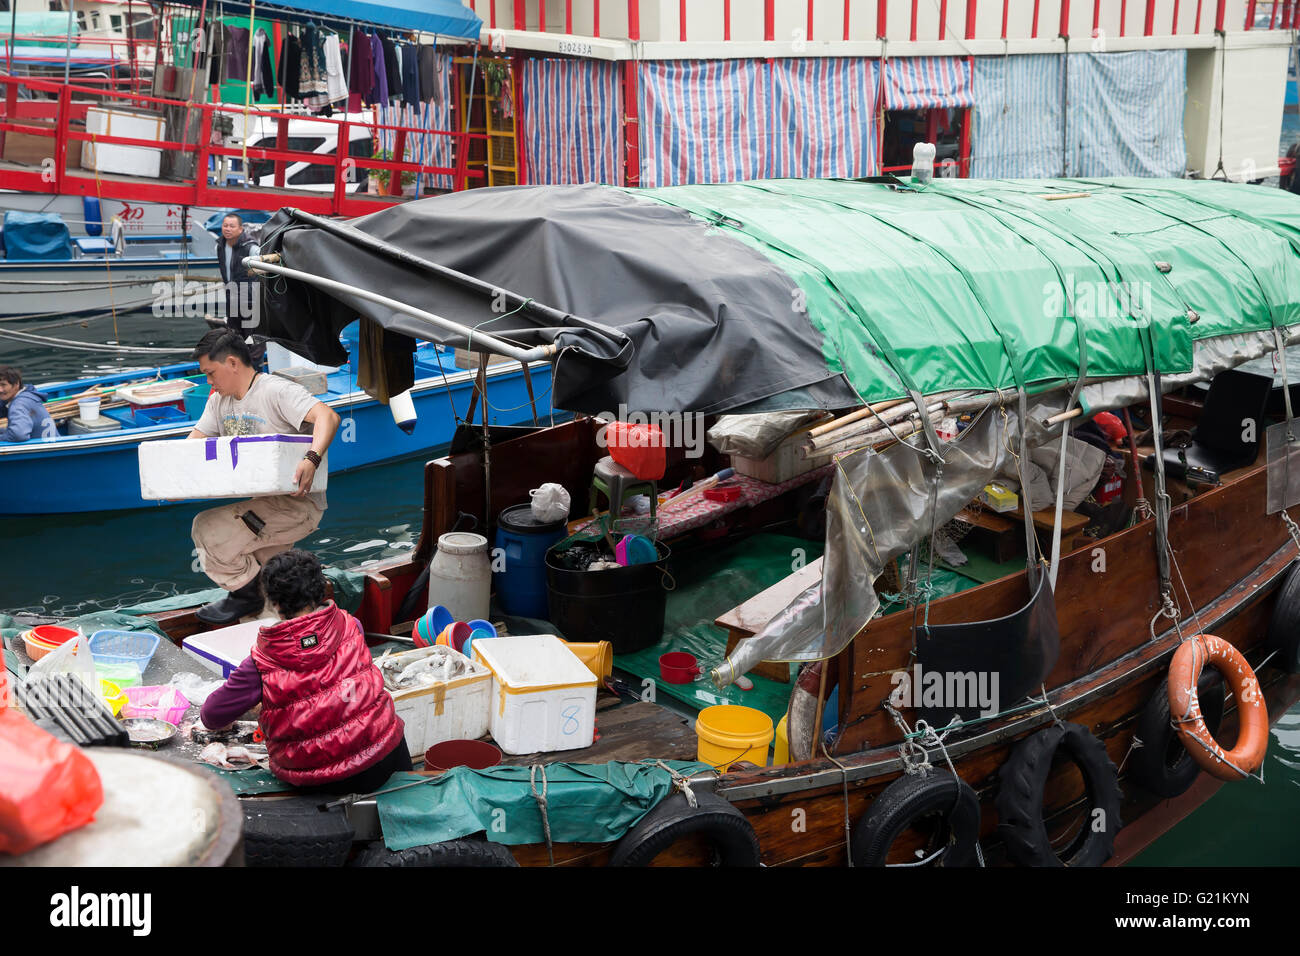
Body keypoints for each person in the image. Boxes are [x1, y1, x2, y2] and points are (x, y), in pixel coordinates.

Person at [199, 549, 412, 791]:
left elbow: (211, 716)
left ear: (274, 601)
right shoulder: (352, 626)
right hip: (387, 755)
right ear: (321, 588)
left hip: (322, 781)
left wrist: (260, 702)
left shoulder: (261, 662)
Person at [188, 328, 340, 625]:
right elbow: (193, 444)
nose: (209, 382)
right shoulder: (219, 402)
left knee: (207, 529)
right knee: (274, 597)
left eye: (211, 373)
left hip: (297, 505)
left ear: (232, 363)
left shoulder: (276, 391)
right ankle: (277, 628)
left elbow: (328, 416)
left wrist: (312, 457)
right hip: (265, 506)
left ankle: (245, 594)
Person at [217, 212, 259, 333]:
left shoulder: (252, 248)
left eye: (232, 226)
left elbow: (265, 272)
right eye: (225, 225)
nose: (228, 229)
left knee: (252, 338)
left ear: (240, 229)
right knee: (234, 335)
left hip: (251, 300)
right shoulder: (220, 246)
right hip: (232, 298)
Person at [0, 365, 55, 443]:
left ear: (16, 384)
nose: (0, 390)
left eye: (3, 385)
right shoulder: (28, 394)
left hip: (43, 451)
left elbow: (18, 435)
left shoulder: (18, 405)